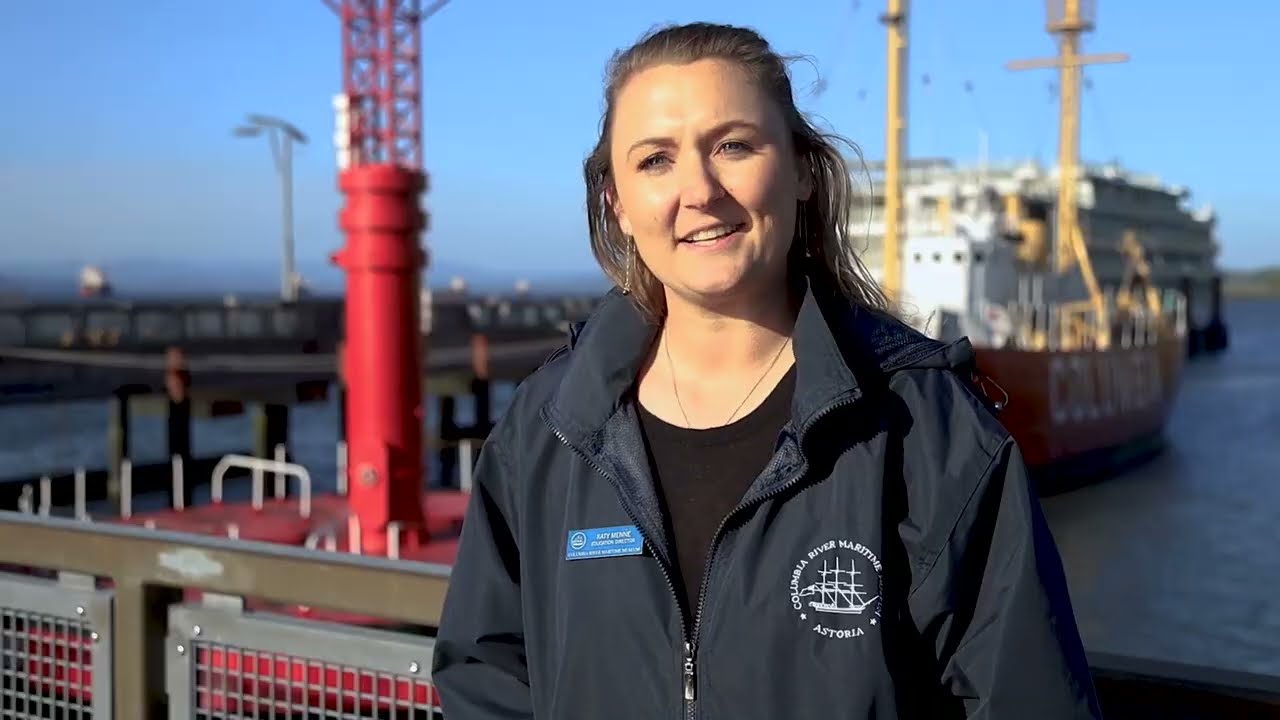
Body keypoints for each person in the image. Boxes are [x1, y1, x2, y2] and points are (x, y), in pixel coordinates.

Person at [432, 21, 1102, 720]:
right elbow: (486, 672)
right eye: (655, 160)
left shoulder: (921, 428)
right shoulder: (551, 429)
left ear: (803, 171)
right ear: (617, 205)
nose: (699, 190)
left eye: (733, 146)